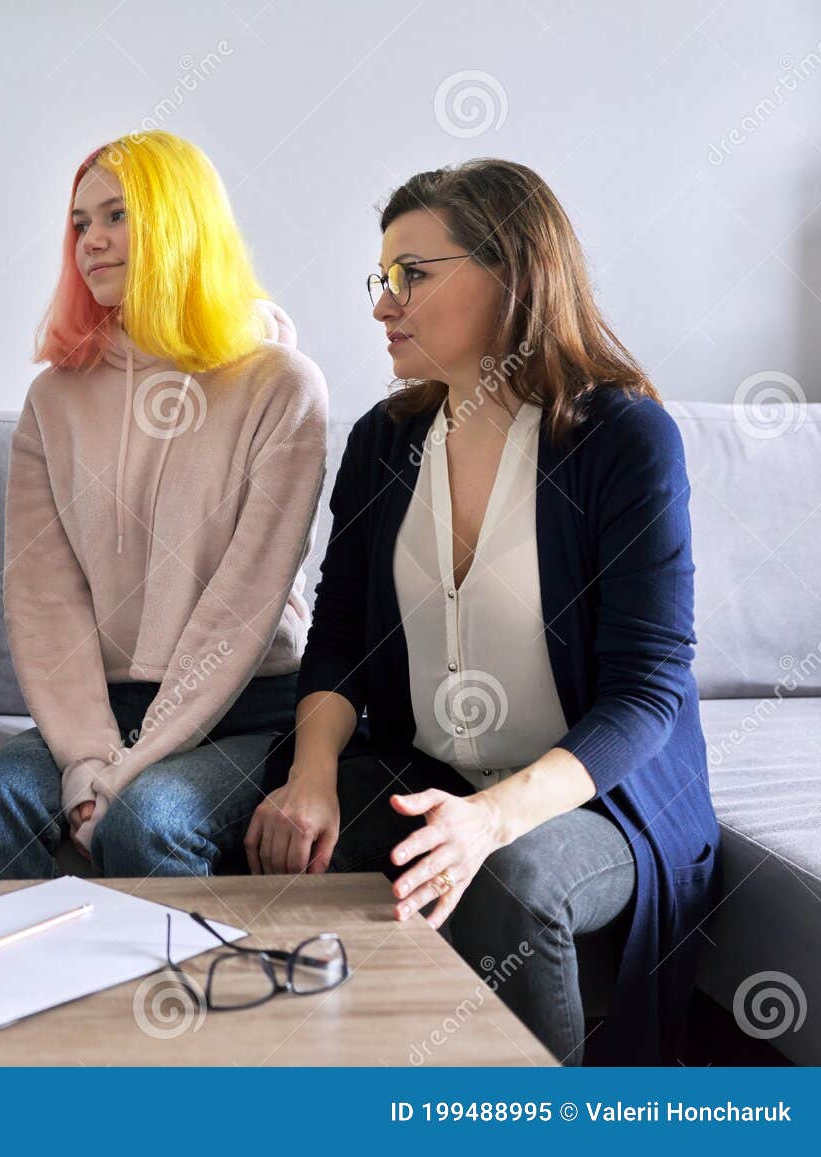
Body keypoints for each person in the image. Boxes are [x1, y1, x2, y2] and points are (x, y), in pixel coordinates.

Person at [247, 159, 719, 1064]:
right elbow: (339, 637)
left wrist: (493, 819)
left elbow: (648, 695)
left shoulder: (622, 439)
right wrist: (310, 773)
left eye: (412, 276)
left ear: (511, 275)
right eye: (380, 279)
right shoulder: (384, 442)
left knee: (512, 875)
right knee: (266, 829)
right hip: (432, 772)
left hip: (598, 799)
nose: (384, 304)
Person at [0, 130, 327, 878]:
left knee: (149, 822)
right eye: (80, 223)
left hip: (251, 703)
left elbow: (244, 602)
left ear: (178, 221)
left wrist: (133, 767)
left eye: (116, 216)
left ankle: (173, 1002)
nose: (91, 241)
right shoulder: (55, 397)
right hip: (104, 708)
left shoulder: (281, 386)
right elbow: (45, 600)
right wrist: (86, 759)